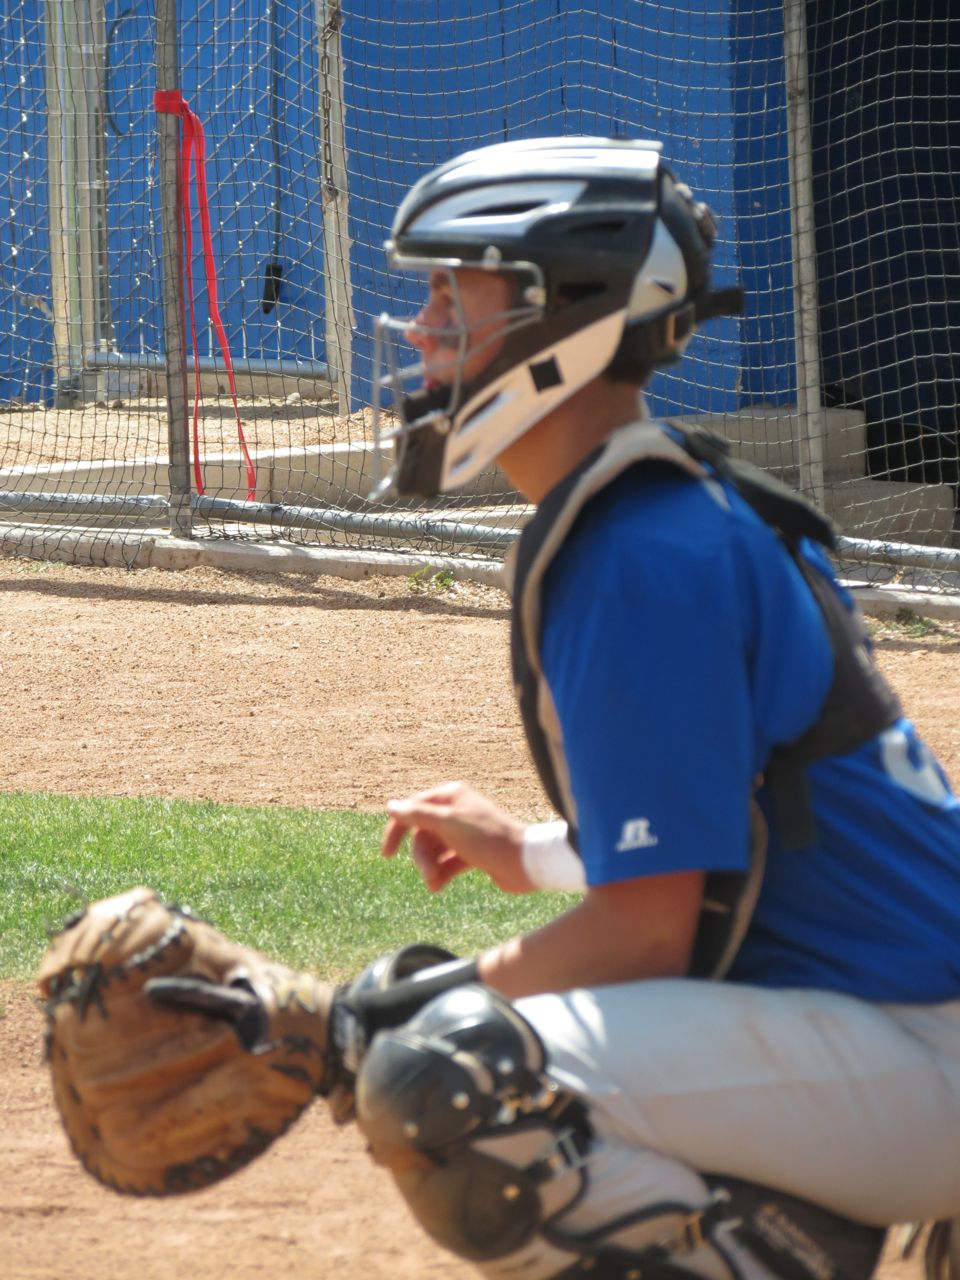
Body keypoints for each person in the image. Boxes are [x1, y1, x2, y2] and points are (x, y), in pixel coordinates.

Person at [351, 136, 960, 1280]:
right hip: (908, 1029)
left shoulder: (640, 554)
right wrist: (531, 854)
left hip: (921, 1050)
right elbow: (733, 827)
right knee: (451, 1047)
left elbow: (644, 936)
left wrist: (381, 1016)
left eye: (451, 293)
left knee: (456, 1072)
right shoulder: (665, 509)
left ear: (562, 316)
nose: (421, 329)